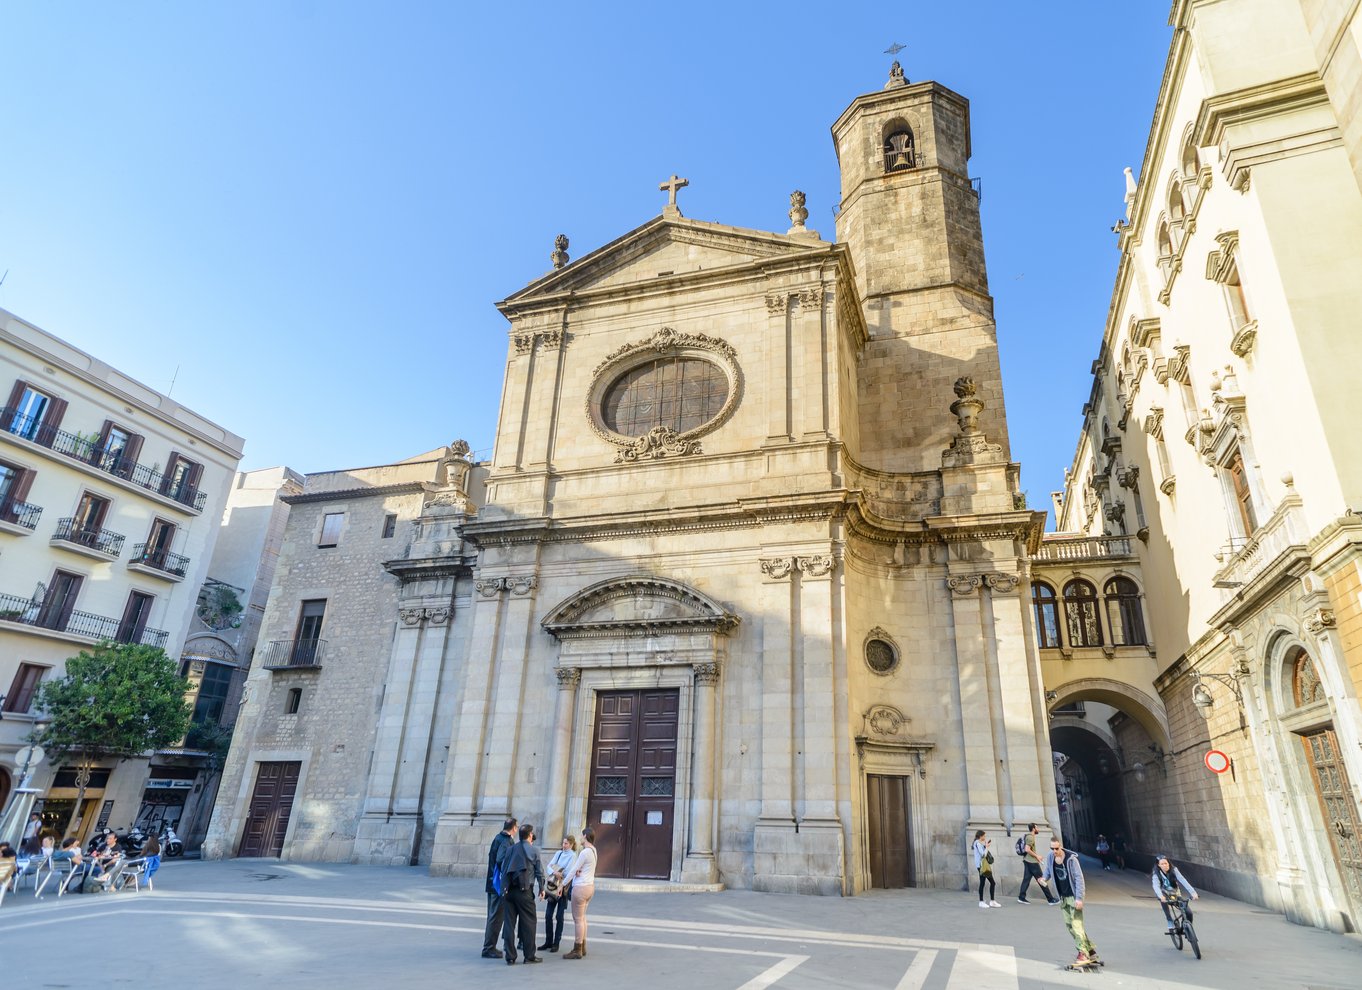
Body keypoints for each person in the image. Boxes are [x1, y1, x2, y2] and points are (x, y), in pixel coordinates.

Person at [1042, 836, 1100, 968]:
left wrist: (1080, 898)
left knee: (1076, 925)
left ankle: (1082, 952)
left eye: (1056, 848)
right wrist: (1044, 878)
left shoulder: (1071, 860)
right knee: (1069, 925)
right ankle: (1091, 951)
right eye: (1052, 849)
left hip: (1073, 897)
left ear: (1061, 846)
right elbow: (1048, 871)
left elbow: (1079, 879)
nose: (1054, 851)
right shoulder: (1051, 857)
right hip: (1063, 897)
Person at [498, 823, 546, 965]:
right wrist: (542, 888)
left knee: (509, 924)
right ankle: (529, 955)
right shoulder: (534, 851)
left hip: (509, 892)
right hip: (525, 892)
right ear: (530, 835)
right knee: (529, 923)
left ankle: (510, 956)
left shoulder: (511, 849)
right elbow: (539, 872)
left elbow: (504, 868)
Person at [481, 817, 517, 959]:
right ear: (514, 828)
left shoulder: (498, 837)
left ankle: (489, 946)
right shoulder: (506, 841)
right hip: (498, 885)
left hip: (492, 883)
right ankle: (489, 948)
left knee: (493, 915)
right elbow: (501, 860)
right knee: (496, 917)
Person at [539, 834, 578, 952]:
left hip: (563, 888)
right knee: (548, 915)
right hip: (553, 887)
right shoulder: (558, 853)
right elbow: (549, 866)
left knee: (559, 916)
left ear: (571, 844)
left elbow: (568, 872)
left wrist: (558, 871)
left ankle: (556, 943)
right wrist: (555, 872)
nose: (564, 845)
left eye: (566, 843)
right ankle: (548, 941)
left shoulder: (573, 855)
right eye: (563, 843)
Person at [563, 826, 597, 960]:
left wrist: (563, 884)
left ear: (586, 837)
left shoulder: (584, 853)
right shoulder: (593, 850)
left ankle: (577, 948)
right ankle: (583, 947)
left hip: (580, 888)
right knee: (582, 918)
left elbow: (573, 870)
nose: (580, 838)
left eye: (582, 836)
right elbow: (586, 867)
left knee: (578, 919)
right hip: (589, 887)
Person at [1151, 854, 1198, 932]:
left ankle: (1186, 928)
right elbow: (1156, 886)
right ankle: (1169, 919)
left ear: (1168, 863)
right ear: (1158, 865)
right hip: (1164, 894)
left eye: (1166, 863)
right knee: (1164, 900)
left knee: (1188, 913)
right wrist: (1161, 896)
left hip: (1175, 894)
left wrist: (1193, 893)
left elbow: (1183, 880)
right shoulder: (1156, 874)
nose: (1165, 865)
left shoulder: (1174, 870)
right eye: (1162, 864)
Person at [1017, 822, 1059, 905]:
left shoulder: (1029, 836)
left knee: (1026, 880)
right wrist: (1037, 856)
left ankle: (1021, 897)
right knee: (1042, 880)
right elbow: (1027, 849)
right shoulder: (1030, 837)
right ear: (1033, 829)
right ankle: (1050, 900)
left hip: (1028, 860)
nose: (1038, 829)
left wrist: (1037, 858)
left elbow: (1029, 850)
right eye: (1037, 827)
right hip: (1032, 862)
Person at [972, 830, 1000, 908]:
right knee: (989, 883)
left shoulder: (978, 843)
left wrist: (985, 846)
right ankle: (986, 901)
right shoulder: (977, 843)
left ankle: (989, 901)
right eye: (984, 836)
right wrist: (987, 847)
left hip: (981, 866)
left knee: (984, 883)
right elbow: (983, 854)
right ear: (980, 836)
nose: (985, 837)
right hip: (982, 866)